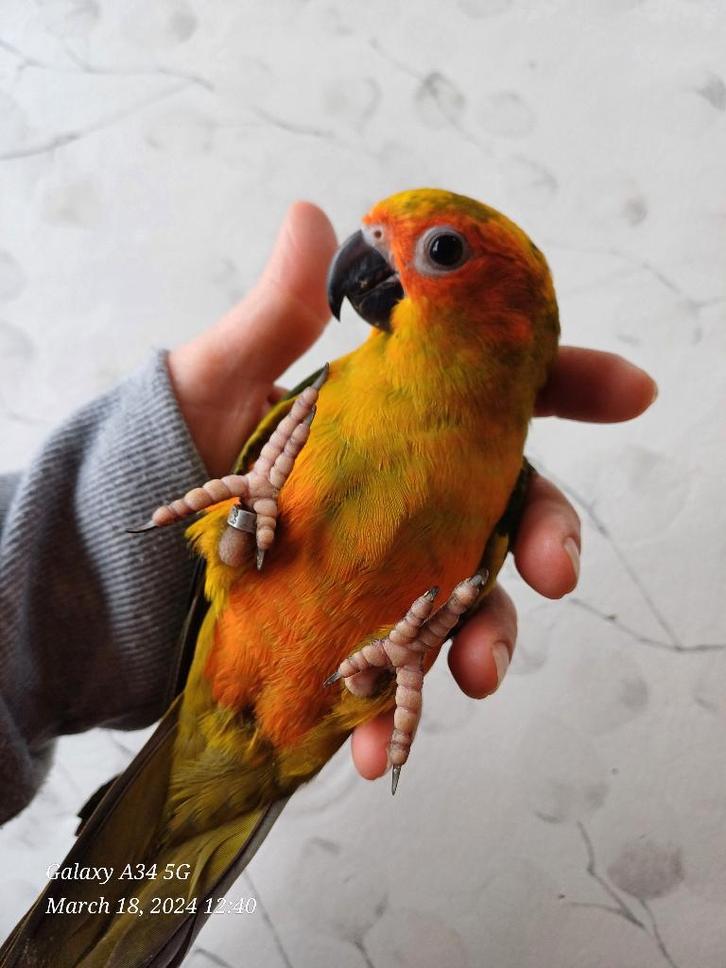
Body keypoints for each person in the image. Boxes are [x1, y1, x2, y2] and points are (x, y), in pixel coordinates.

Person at [0, 202, 657, 823]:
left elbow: (457, 593)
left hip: (309, 718)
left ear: (514, 307)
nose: (369, 249)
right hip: (216, 670)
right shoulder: (333, 386)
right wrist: (154, 515)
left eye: (442, 251)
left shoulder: (506, 483)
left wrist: (406, 648)